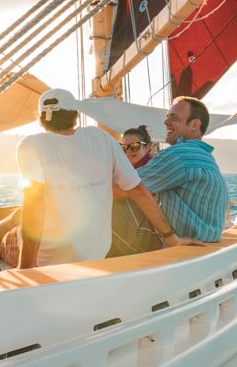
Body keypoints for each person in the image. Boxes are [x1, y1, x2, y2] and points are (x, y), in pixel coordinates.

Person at [16, 89, 190, 269]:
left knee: (7, 240)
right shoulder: (101, 138)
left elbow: (34, 205)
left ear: (41, 118)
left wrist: (26, 268)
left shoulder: (30, 145)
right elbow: (138, 191)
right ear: (76, 115)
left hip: (48, 263)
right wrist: (171, 237)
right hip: (96, 258)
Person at [122, 96, 229, 243]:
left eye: (174, 118)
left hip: (186, 247)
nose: (166, 122)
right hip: (207, 242)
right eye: (167, 117)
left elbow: (127, 187)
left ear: (194, 125)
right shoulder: (204, 156)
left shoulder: (179, 154)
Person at [109, 125, 162, 256]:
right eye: (123, 148)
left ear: (148, 146)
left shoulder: (152, 168)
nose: (128, 152)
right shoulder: (128, 170)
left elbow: (120, 192)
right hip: (134, 230)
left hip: (148, 235)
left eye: (134, 146)